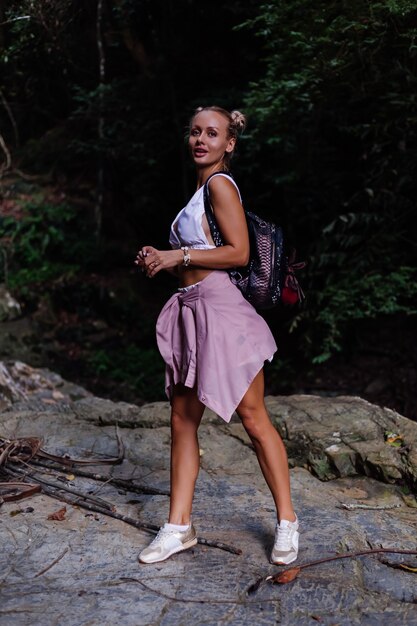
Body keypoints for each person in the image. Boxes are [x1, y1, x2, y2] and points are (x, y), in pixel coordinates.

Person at [135, 105, 299, 566]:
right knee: (183, 420)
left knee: (253, 417)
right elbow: (200, 250)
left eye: (211, 133)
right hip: (193, 312)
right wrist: (160, 257)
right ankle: (178, 527)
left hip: (221, 314)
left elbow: (240, 252)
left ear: (229, 144)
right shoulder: (201, 191)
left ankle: (287, 522)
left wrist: (176, 257)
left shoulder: (221, 185)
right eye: (194, 132)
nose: (200, 140)